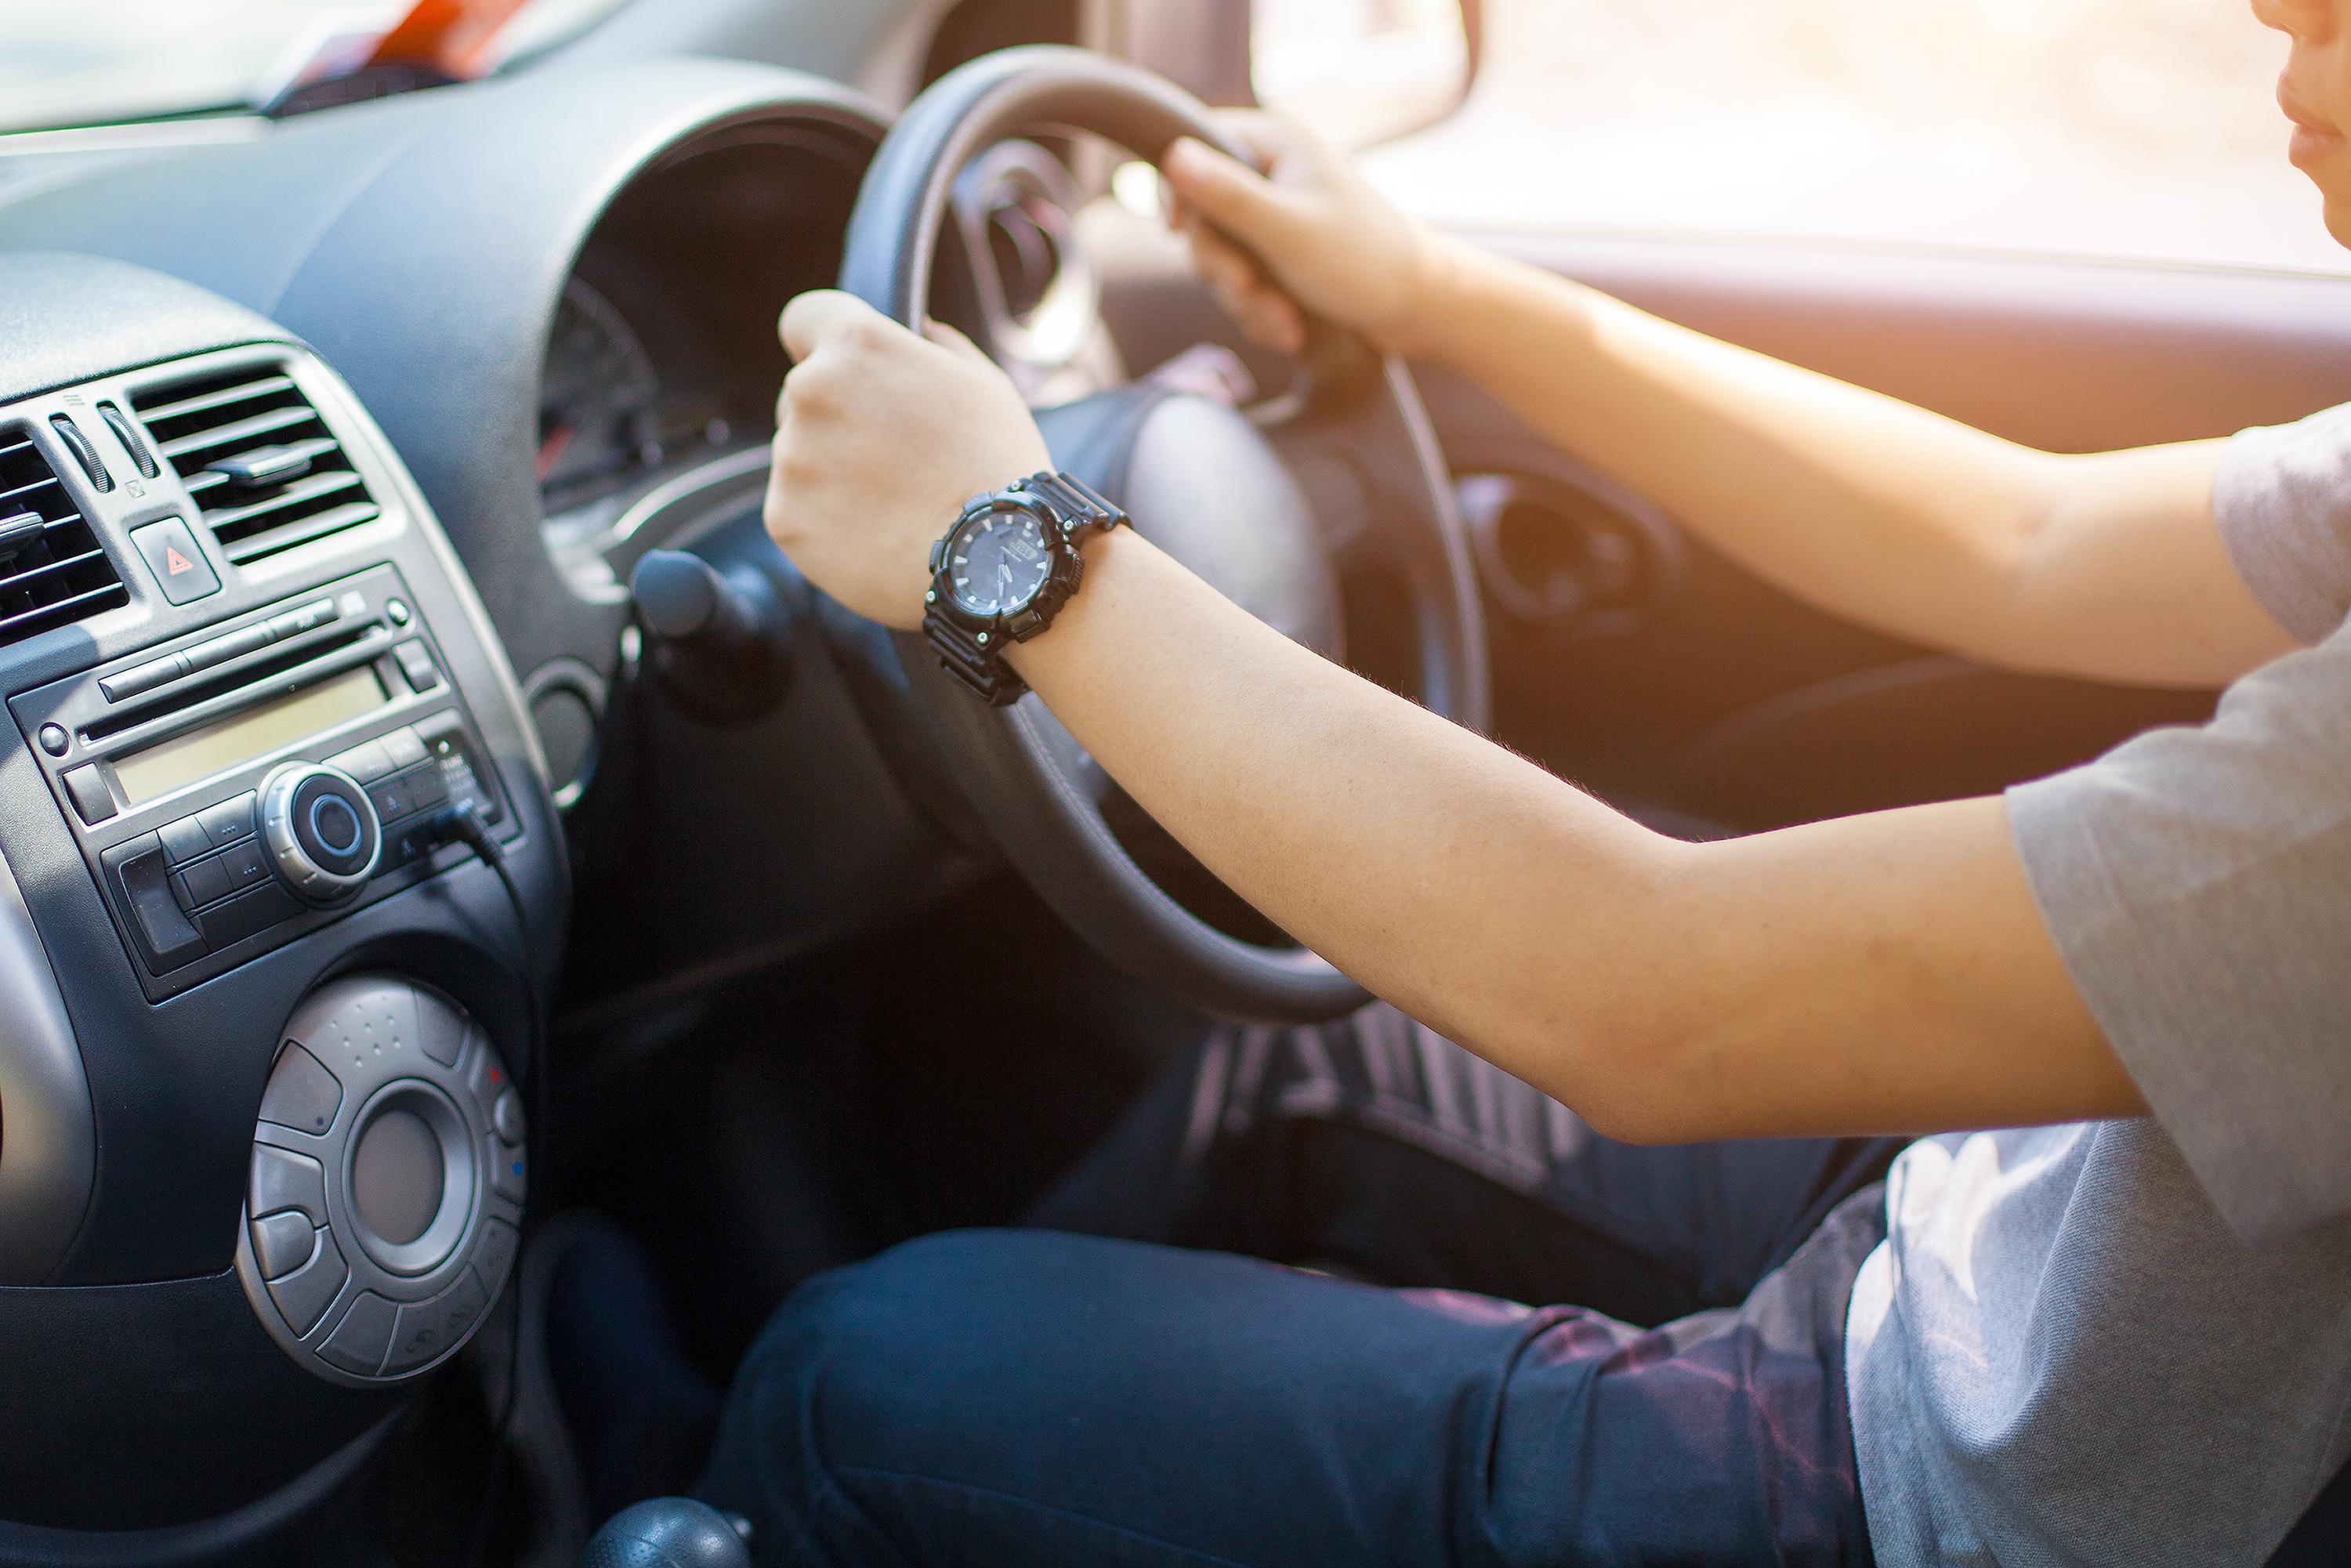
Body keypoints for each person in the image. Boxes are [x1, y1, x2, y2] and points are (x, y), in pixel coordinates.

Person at [694, 1, 2351, 1560]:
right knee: (1284, 1065)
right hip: (1999, 1226)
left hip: (1938, 1498)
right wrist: (1427, 290)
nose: (2277, 8)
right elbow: (2025, 539)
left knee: (848, 1391)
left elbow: (1652, 998)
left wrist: (1008, 542)